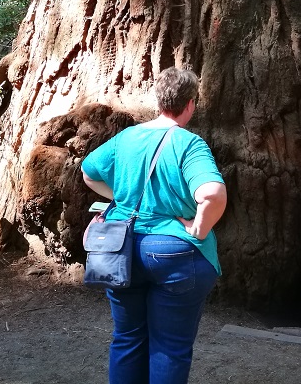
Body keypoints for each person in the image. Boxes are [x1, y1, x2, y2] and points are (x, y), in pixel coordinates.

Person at [82, 67, 227, 384]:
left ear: (158, 100)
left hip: (121, 250)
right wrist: (199, 230)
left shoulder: (127, 138)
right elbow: (212, 194)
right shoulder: (189, 144)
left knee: (127, 338)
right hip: (175, 253)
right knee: (170, 347)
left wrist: (119, 199)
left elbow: (89, 172)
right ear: (190, 104)